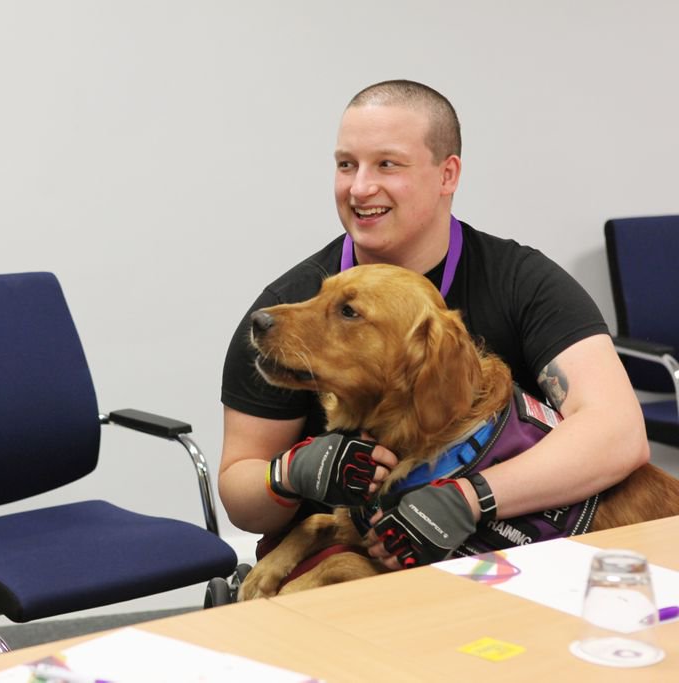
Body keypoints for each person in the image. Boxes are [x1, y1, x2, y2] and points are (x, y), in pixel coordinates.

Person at [219, 80, 648, 569]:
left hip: (515, 546)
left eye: (387, 163)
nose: (359, 187)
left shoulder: (522, 282)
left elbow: (618, 432)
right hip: (346, 549)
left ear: (448, 174)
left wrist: (468, 498)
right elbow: (239, 493)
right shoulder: (286, 312)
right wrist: (288, 474)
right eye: (346, 164)